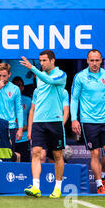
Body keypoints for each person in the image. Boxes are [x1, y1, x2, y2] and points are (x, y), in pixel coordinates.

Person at [70, 49, 105, 194]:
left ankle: (102, 174)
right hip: (88, 121)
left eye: (97, 60)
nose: (94, 63)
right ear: (87, 61)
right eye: (91, 60)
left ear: (101, 60)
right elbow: (74, 99)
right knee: (95, 153)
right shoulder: (80, 77)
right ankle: (100, 185)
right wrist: (74, 119)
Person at [20, 50, 67, 199]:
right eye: (40, 61)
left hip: (55, 121)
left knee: (57, 155)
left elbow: (50, 81)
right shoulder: (39, 80)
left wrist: (32, 68)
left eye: (44, 60)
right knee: (35, 153)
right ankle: (35, 186)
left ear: (52, 60)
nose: (41, 63)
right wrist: (31, 124)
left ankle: (58, 188)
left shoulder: (61, 75)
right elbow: (35, 103)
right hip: (39, 122)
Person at [0, 63, 24, 155]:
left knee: (9, 154)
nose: (1, 78)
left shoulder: (15, 89)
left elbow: (19, 109)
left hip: (10, 127)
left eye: (4, 76)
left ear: (9, 75)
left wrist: (20, 128)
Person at [28, 88, 70, 163]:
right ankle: (39, 175)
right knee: (41, 155)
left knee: (55, 157)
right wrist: (29, 130)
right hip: (41, 127)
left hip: (55, 128)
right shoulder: (37, 91)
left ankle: (54, 175)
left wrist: (59, 126)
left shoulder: (63, 91)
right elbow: (32, 110)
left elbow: (66, 110)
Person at [11, 76, 32, 162]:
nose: (17, 87)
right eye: (14, 85)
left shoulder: (28, 100)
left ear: (23, 87)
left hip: (24, 138)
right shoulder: (7, 99)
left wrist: (24, 128)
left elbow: (30, 120)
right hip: (10, 138)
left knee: (24, 165)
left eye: (19, 85)